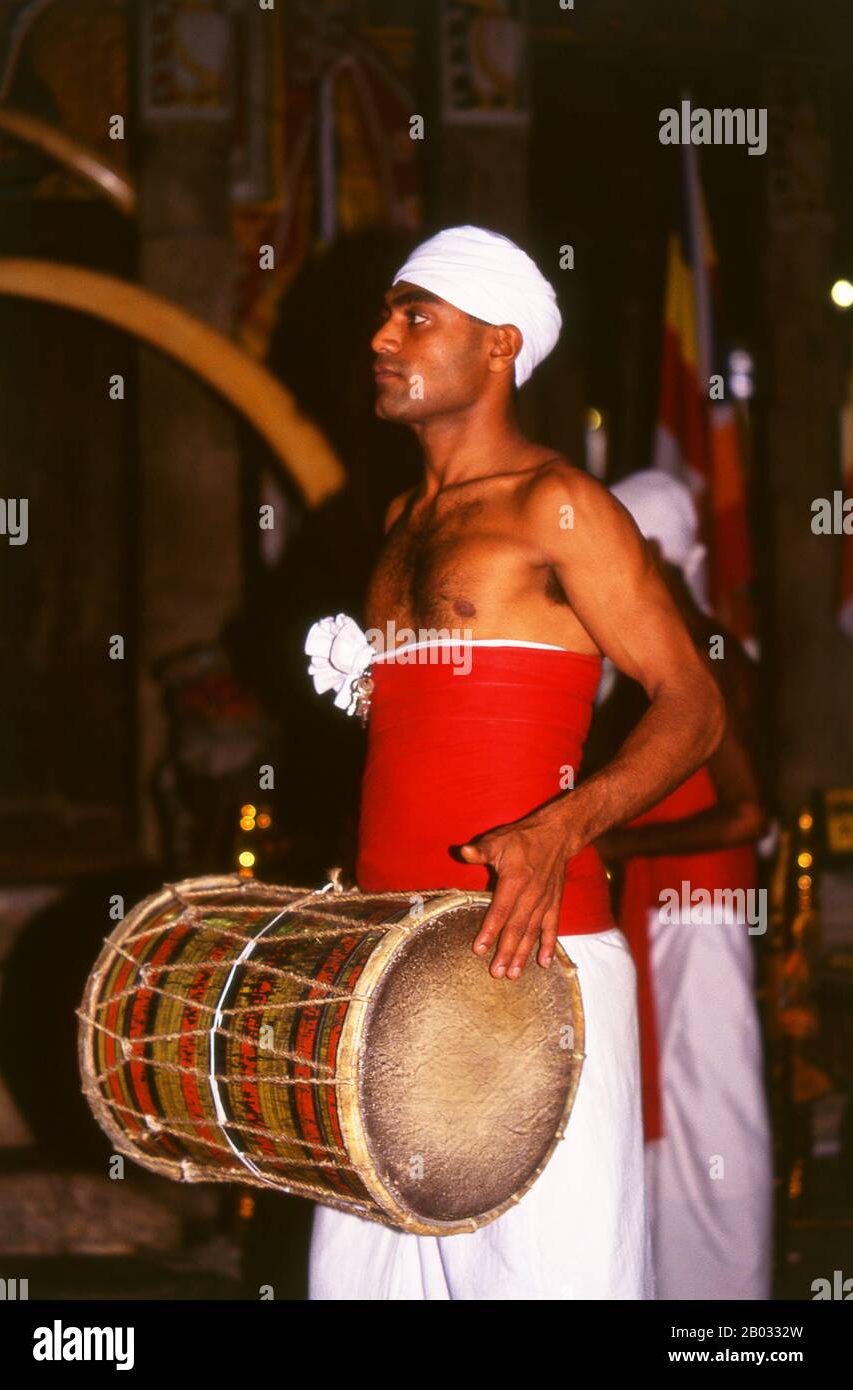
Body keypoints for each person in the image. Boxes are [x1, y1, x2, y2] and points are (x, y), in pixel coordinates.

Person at [304, 225, 724, 1300]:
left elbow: (694, 704)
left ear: (498, 344)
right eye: (388, 314)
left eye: (415, 316)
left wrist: (561, 825)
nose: (380, 337)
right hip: (391, 966)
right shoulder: (400, 521)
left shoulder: (559, 504)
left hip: (529, 961)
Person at [591, 469, 773, 1301]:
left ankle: (726, 1315)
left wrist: (612, 837)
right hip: (664, 916)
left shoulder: (701, 653)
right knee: (667, 1131)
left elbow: (745, 814)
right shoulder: (657, 655)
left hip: (700, 918)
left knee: (713, 1123)